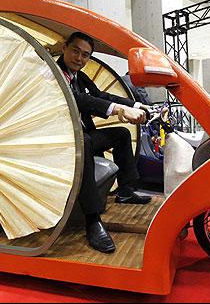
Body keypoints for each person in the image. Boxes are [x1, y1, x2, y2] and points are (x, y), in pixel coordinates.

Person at [56, 32, 151, 253]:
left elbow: (100, 95)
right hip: (60, 140)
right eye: (75, 51)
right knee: (86, 142)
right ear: (64, 48)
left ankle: (126, 190)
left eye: (85, 55)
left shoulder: (78, 75)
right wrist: (118, 110)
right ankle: (92, 220)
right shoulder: (53, 73)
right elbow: (79, 100)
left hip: (82, 136)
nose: (79, 58)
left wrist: (136, 105)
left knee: (121, 134)